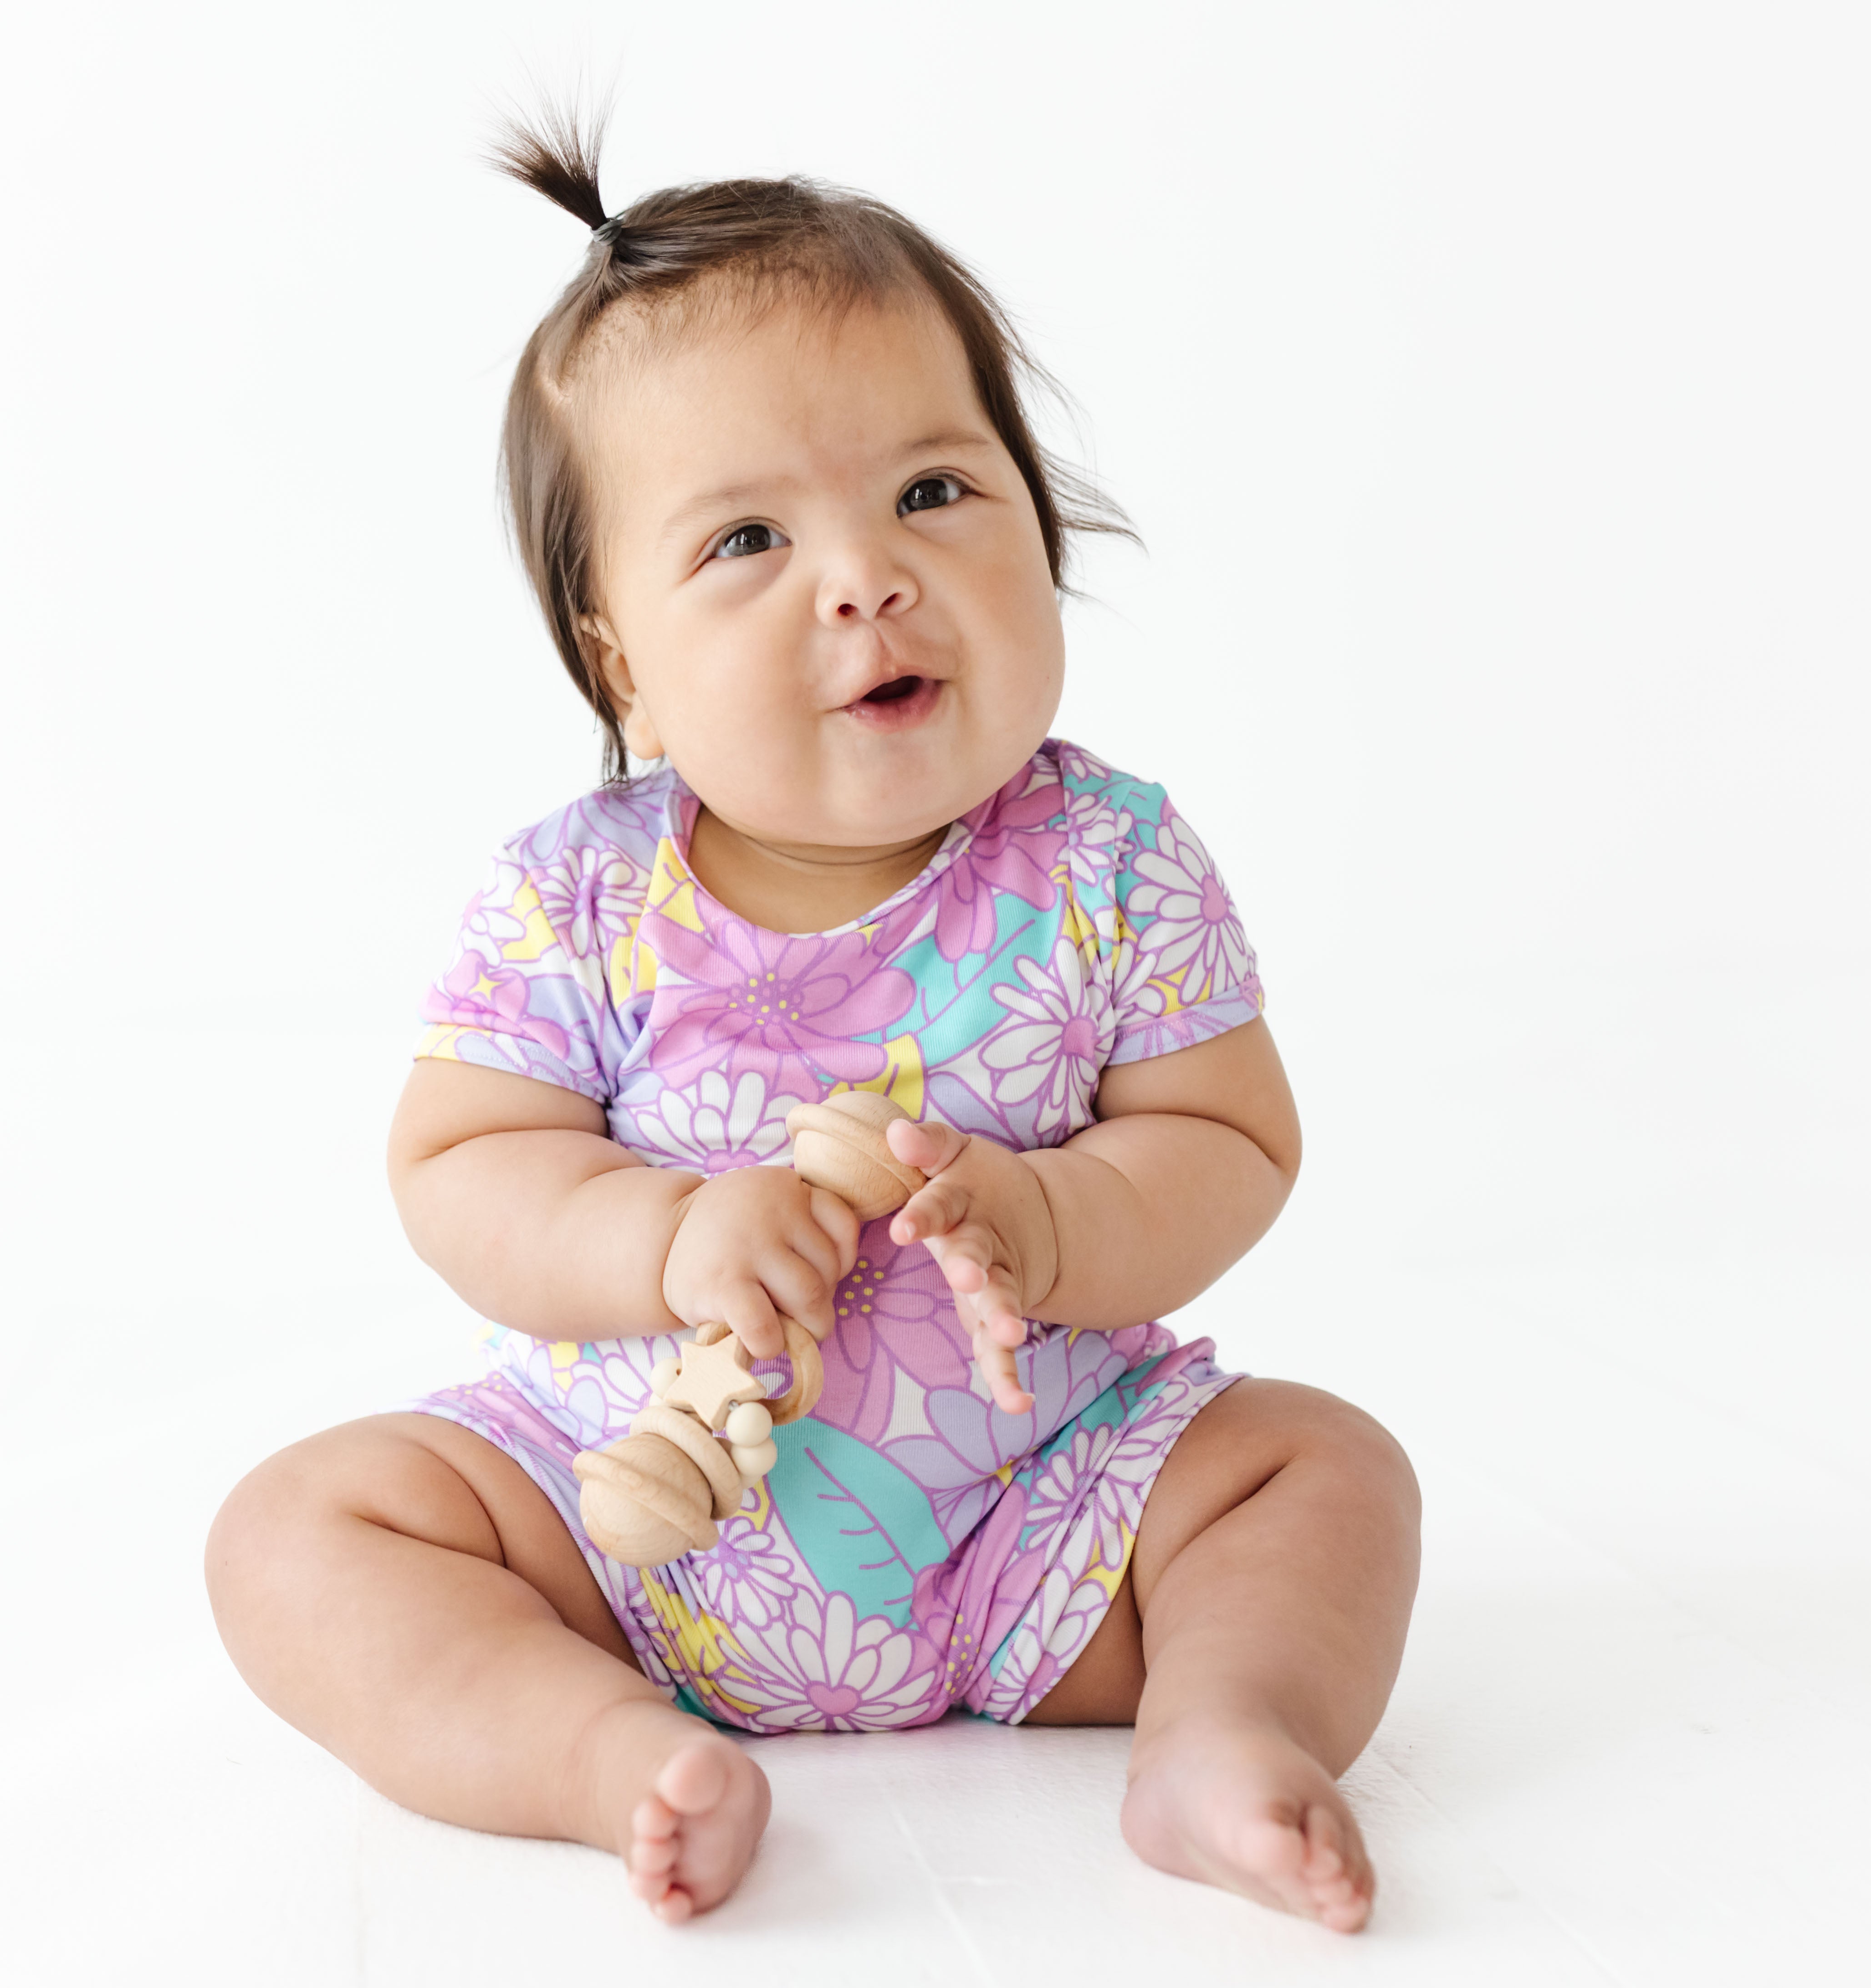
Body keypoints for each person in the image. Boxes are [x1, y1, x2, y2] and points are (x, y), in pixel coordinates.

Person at [206, 107, 1421, 1934]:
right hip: (627, 1534)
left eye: (936, 492)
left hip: (1045, 1520)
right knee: (301, 1536)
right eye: (751, 538)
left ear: (1036, 520)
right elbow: (462, 1167)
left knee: (1325, 1472)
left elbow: (1233, 1140)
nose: (867, 575)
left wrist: (1054, 1217)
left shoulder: (1108, 859)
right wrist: (667, 1230)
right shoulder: (578, 896)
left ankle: (1219, 1730)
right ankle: (600, 1749)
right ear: (624, 657)